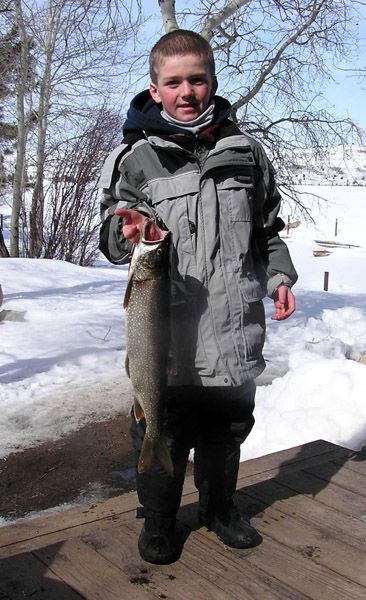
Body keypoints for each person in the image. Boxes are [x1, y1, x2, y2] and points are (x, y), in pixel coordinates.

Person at [98, 29, 297, 565]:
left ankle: (219, 510)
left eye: (197, 79)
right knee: (162, 428)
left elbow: (267, 229)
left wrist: (280, 278)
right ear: (154, 88)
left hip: (234, 332)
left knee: (225, 433)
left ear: (212, 81)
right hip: (167, 341)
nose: (186, 90)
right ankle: (159, 520)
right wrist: (131, 229)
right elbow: (113, 241)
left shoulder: (247, 152)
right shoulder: (136, 159)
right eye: (173, 81)